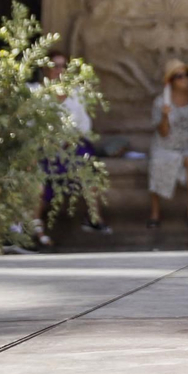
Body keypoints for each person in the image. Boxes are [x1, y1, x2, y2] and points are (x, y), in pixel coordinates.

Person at [33, 52, 108, 246]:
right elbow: (32, 127)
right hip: (46, 150)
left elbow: (85, 126)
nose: (59, 70)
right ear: (45, 68)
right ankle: (34, 228)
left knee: (87, 163)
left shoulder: (76, 95)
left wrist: (69, 140)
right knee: (41, 180)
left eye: (63, 66)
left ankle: (93, 218)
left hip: (73, 147)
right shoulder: (36, 94)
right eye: (55, 66)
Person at [148, 59, 188, 229]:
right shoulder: (161, 101)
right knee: (157, 162)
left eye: (187, 75)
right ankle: (155, 212)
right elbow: (163, 132)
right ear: (170, 81)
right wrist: (165, 115)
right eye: (179, 76)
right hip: (165, 144)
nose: (184, 79)